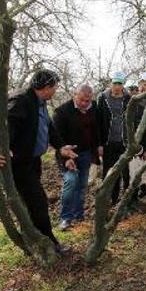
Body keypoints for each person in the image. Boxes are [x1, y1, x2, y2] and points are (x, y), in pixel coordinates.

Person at [0, 69, 78, 252]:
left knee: (33, 204)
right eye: (54, 87)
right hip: (20, 164)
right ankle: (49, 243)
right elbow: (6, 125)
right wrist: (1, 148)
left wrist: (61, 147)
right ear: (46, 87)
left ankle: (33, 241)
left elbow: (49, 128)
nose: (55, 91)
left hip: (33, 162)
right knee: (38, 202)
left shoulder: (39, 103)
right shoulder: (21, 101)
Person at [52, 85, 100, 231]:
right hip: (67, 155)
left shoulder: (93, 108)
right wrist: (65, 159)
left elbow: (96, 129)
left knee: (82, 184)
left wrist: (98, 147)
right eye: (82, 100)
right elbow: (57, 139)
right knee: (71, 181)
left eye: (88, 100)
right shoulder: (61, 112)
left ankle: (79, 215)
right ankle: (66, 217)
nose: (85, 104)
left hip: (85, 153)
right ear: (75, 96)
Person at [96, 71, 133, 204]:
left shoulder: (128, 98)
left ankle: (127, 199)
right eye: (115, 83)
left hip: (123, 141)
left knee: (126, 171)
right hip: (108, 142)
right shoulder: (103, 98)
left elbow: (132, 121)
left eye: (120, 83)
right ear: (111, 83)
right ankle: (110, 198)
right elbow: (98, 122)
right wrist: (99, 143)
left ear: (123, 84)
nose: (117, 86)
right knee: (109, 171)